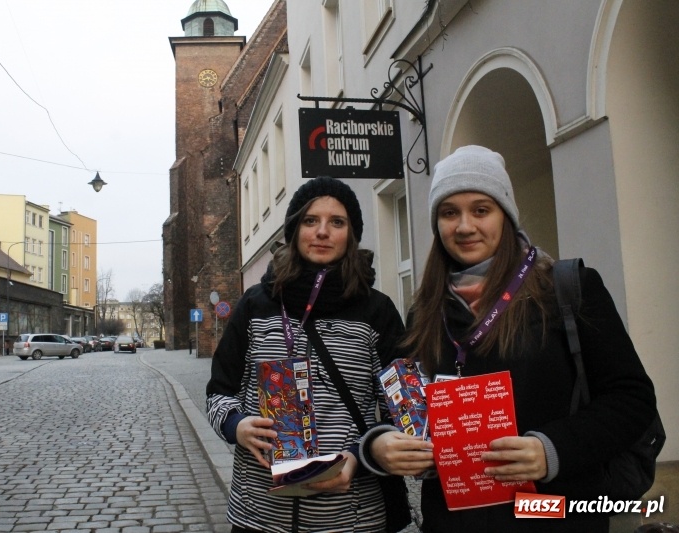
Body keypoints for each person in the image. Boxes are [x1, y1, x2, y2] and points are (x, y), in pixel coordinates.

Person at [361, 145, 658, 532]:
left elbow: (632, 399)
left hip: (551, 514)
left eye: (481, 210)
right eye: (449, 213)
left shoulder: (567, 290)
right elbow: (410, 406)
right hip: (454, 521)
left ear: (505, 215)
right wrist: (382, 443)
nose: (464, 226)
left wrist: (552, 450)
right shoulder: (425, 312)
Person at [206, 176, 407, 532]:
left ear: (351, 234)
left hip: (351, 517)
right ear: (295, 229)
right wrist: (237, 426)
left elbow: (405, 412)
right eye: (311, 220)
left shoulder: (377, 311)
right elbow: (219, 393)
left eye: (337, 222)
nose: (322, 232)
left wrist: (359, 456)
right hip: (260, 515)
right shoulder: (255, 305)